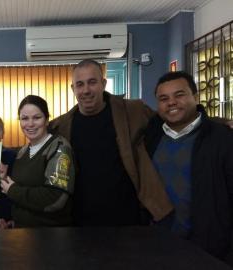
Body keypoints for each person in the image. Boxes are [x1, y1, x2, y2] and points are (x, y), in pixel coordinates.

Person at [49, 59, 173, 226]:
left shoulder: (133, 111)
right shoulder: (60, 126)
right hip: (79, 220)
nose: (86, 90)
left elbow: (170, 123)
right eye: (80, 84)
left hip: (127, 216)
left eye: (92, 82)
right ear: (73, 89)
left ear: (103, 83)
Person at [144, 71, 233, 259]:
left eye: (179, 95)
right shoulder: (150, 136)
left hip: (210, 249)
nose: (171, 102)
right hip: (159, 246)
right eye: (164, 98)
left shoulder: (223, 138)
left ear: (195, 96)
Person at [0, 95, 75, 228]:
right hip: (23, 236)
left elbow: (55, 199)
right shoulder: (22, 152)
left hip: (49, 237)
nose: (30, 124)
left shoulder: (59, 148)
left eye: (37, 117)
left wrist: (12, 190)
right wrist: (14, 223)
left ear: (46, 120)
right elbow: (22, 194)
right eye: (25, 118)